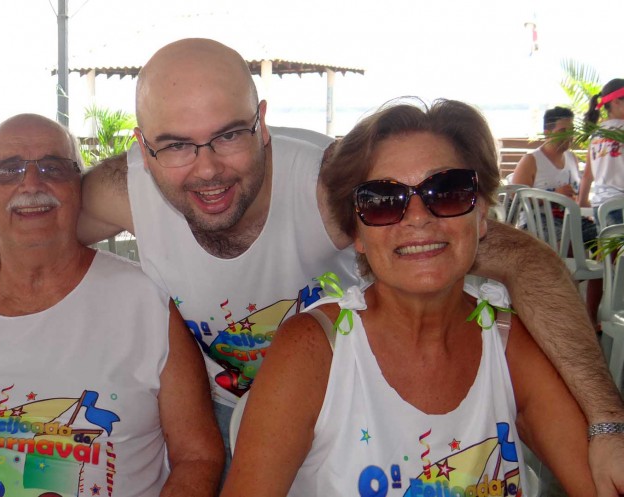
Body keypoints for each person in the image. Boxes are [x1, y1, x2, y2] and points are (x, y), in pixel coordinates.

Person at [0, 39, 623, 490]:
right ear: (144, 149)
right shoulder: (126, 189)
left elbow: (516, 258)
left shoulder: (333, 188)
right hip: (225, 404)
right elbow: (35, 213)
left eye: (229, 135)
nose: (206, 168)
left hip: (362, 386)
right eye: (177, 144)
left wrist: (606, 422)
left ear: (263, 123)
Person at [221, 99, 594, 497]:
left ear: (481, 213)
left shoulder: (507, 343)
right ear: (357, 233)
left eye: (446, 191)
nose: (417, 217)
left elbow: (594, 476)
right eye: (383, 201)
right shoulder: (314, 350)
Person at [0, 114, 223, 497]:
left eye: (53, 168)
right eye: (8, 170)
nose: (31, 183)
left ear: (79, 189)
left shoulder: (146, 303)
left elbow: (197, 456)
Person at [511, 106, 596, 243]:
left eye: (572, 131)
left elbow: (579, 195)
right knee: (568, 241)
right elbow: (517, 198)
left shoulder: (572, 158)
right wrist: (554, 195)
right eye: (563, 131)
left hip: (570, 218)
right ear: (547, 133)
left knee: (603, 236)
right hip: (538, 222)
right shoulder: (531, 160)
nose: (569, 136)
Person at [578, 78, 624, 225]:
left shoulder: (597, 134)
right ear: (616, 102)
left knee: (608, 240)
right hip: (621, 205)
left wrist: (582, 202)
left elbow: (588, 175)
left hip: (601, 208)